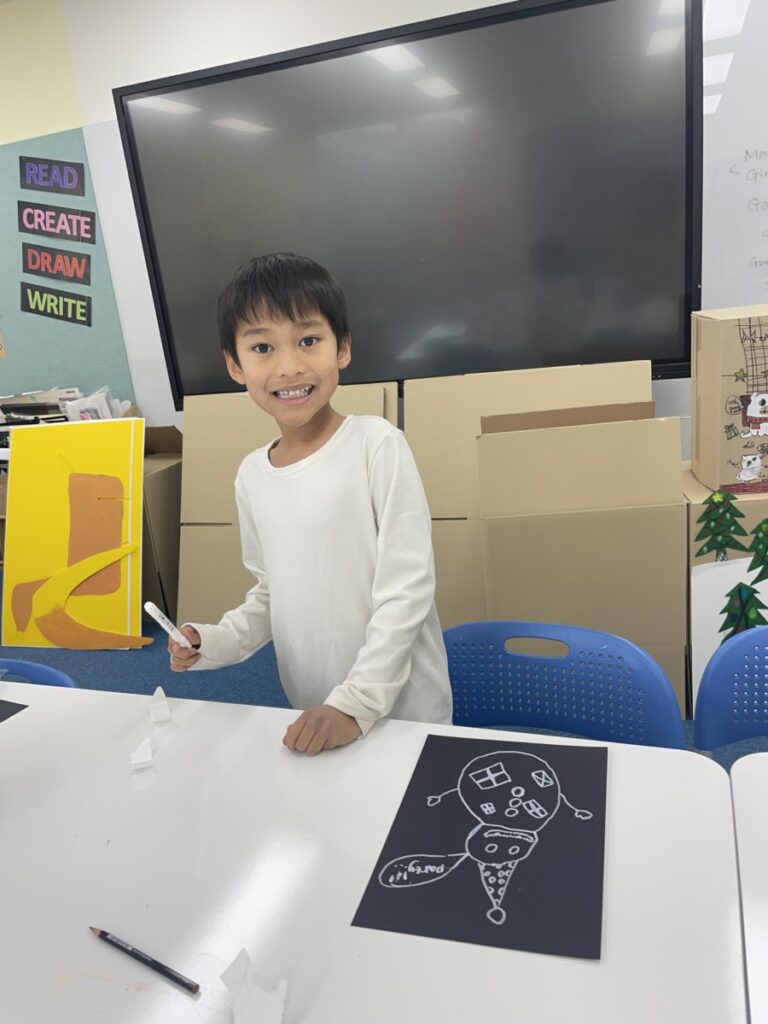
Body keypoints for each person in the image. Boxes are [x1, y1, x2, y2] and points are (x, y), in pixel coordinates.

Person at [169, 252, 452, 755]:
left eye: (308, 340)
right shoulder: (252, 474)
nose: (290, 366)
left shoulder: (376, 445)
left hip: (401, 711)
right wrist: (211, 641)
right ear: (235, 365)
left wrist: (355, 704)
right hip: (317, 709)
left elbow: (407, 591)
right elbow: (271, 594)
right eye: (262, 347)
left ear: (342, 348)